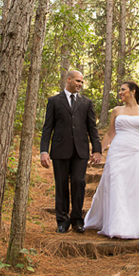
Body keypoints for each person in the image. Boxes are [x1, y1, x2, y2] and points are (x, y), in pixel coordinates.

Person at [84, 81, 139, 239]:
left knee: (137, 187)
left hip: (137, 153)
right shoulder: (116, 110)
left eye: (123, 90)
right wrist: (98, 151)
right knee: (117, 185)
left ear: (132, 91)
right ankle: (118, 224)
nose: (120, 93)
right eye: (119, 90)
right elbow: (110, 134)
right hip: (118, 152)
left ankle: (136, 223)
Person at [40, 70, 102, 234]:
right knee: (61, 185)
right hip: (60, 150)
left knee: (78, 183)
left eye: (82, 82)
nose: (80, 84)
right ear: (68, 80)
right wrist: (44, 151)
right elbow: (47, 128)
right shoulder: (54, 101)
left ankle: (77, 220)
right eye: (77, 81)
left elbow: (92, 129)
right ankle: (62, 221)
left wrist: (96, 150)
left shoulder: (87, 103)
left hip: (80, 151)